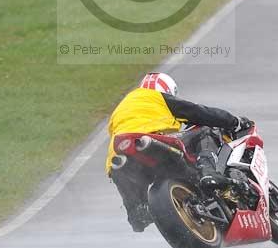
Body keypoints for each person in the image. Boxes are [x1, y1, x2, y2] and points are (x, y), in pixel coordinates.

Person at [106, 72, 255, 231]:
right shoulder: (156, 97)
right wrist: (234, 121)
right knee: (205, 130)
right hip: (152, 139)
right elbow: (199, 112)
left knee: (136, 205)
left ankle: (137, 212)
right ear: (166, 90)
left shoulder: (121, 108)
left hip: (118, 157)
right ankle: (209, 173)